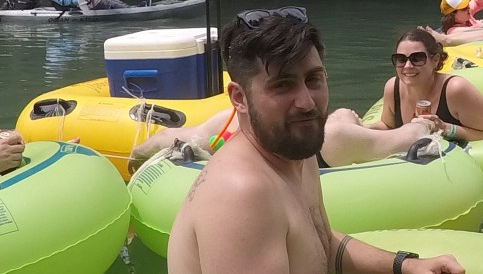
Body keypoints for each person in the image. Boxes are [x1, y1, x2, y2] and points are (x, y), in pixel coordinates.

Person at [167, 8, 483, 274]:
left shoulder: (297, 153)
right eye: (282, 86)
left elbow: (320, 244)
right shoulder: (240, 193)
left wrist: (407, 266)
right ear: (240, 98)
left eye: (314, 79)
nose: (306, 102)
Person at [129, 105, 436, 173]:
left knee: (342, 120)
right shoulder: (232, 119)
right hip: (324, 137)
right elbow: (412, 134)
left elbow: (410, 134)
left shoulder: (335, 137)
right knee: (343, 119)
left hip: (321, 144)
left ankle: (350, 116)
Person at [369, 28, 483, 141]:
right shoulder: (393, 88)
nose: (408, 66)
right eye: (401, 59)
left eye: (417, 58)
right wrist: (360, 128)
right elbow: (388, 126)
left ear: (435, 60)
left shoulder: (455, 90)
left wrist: (446, 128)